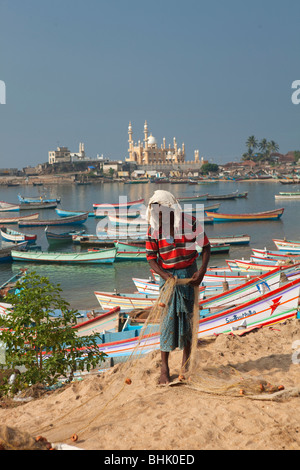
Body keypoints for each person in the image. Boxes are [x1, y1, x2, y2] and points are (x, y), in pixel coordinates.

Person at [145, 190, 211, 385]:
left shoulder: (190, 223)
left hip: (189, 276)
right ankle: (164, 369)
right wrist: (165, 276)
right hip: (167, 280)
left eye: (163, 212)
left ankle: (185, 366)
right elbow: (151, 258)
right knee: (167, 324)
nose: (160, 217)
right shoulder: (153, 229)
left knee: (188, 323)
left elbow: (206, 247)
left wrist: (201, 272)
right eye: (157, 213)